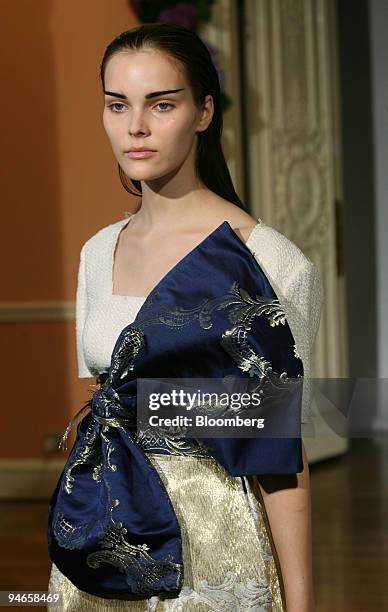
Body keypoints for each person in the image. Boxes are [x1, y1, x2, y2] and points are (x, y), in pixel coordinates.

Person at [47, 22, 323, 611]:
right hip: (103, 529)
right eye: (117, 105)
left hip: (212, 551)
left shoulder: (265, 260)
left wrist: (300, 604)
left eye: (161, 104)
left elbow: (280, 451)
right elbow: (108, 407)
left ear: (203, 112)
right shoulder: (98, 253)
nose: (135, 127)